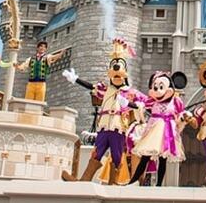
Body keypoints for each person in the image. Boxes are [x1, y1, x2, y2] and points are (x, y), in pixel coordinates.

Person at [60, 37, 145, 185]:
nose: (117, 70)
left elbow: (144, 103)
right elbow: (90, 87)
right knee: (96, 153)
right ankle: (84, 180)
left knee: (117, 155)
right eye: (114, 67)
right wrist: (76, 79)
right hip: (104, 127)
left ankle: (113, 182)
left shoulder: (129, 92)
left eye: (120, 67)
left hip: (118, 128)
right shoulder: (105, 90)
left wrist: (131, 104)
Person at [128, 70, 189, 186]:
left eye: (161, 87)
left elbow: (181, 114)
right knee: (145, 157)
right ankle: (133, 180)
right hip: (153, 131)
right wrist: (127, 102)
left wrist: (183, 118)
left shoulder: (175, 102)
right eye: (155, 87)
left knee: (163, 159)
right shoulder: (152, 102)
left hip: (167, 133)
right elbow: (139, 106)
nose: (157, 90)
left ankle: (159, 184)